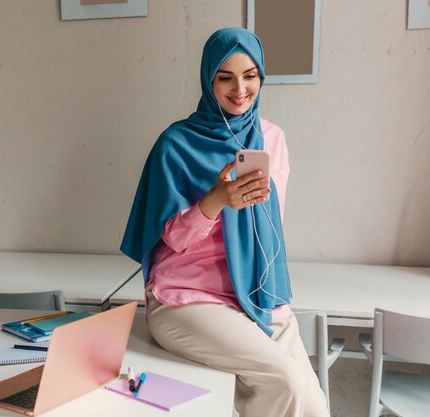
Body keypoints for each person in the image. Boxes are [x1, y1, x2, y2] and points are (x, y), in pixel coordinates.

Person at [120, 28, 329, 417]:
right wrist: (214, 201)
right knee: (286, 382)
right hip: (186, 297)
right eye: (226, 77)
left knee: (314, 404)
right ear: (207, 78)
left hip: (254, 290)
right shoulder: (175, 143)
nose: (240, 89)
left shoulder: (272, 138)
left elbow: (270, 228)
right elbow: (171, 242)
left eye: (250, 76)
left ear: (261, 77)